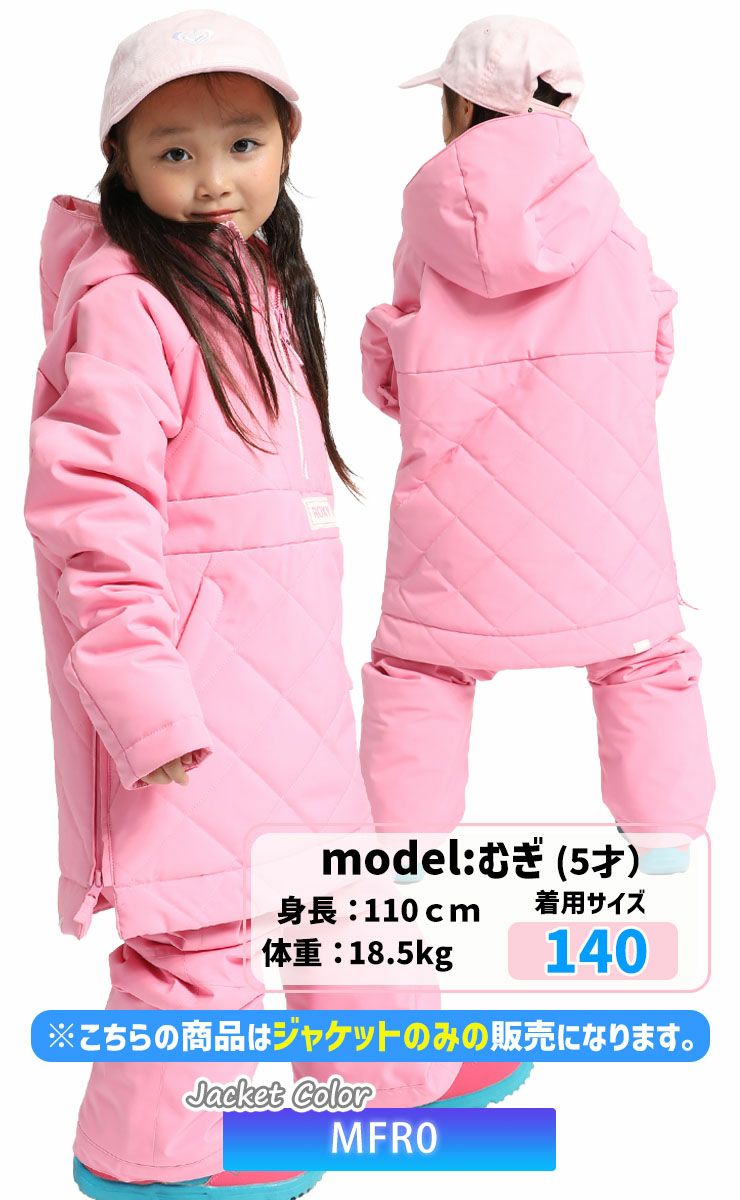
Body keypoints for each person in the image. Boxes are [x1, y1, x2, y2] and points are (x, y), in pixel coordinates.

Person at [23, 11, 528, 1199]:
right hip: (187, 691)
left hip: (285, 669)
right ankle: (159, 1154)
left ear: (286, 146)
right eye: (176, 152)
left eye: (242, 145)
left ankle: (382, 1074)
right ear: (121, 162)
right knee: (200, 920)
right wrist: (141, 698)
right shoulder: (128, 303)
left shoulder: (253, 276)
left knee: (336, 884)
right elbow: (89, 515)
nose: (215, 181)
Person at [359, 15, 715, 874]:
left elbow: (391, 370)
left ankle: (405, 863)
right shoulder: (612, 221)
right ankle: (667, 856)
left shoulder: (426, 230)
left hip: (453, 513)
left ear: (459, 107)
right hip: (604, 509)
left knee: (420, 670)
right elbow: (656, 340)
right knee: (643, 663)